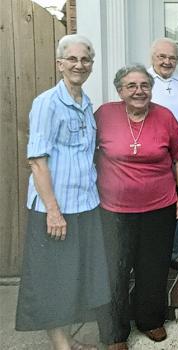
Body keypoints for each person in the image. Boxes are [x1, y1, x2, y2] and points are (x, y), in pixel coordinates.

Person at [15, 34, 110, 350]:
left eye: (85, 60)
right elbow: (37, 161)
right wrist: (53, 210)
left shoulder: (85, 103)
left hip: (84, 203)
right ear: (59, 64)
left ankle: (67, 338)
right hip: (55, 209)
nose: (79, 65)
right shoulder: (47, 103)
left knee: (75, 277)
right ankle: (61, 345)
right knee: (55, 278)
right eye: (72, 59)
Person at [95, 64, 178, 349]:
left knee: (153, 265)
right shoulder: (104, 115)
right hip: (113, 209)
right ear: (120, 90)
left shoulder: (164, 117)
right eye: (131, 86)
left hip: (159, 206)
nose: (139, 91)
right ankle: (114, 331)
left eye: (144, 85)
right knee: (115, 269)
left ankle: (150, 320)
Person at [148, 37, 178, 272]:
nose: (167, 61)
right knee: (155, 204)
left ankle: (172, 253)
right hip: (155, 152)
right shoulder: (144, 80)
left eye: (172, 58)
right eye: (162, 57)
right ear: (152, 57)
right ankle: (152, 254)